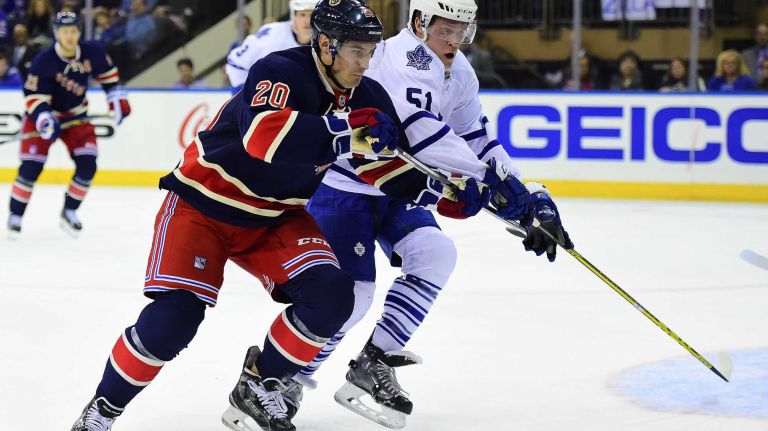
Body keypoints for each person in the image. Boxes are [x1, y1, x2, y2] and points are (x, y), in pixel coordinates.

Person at [69, 2, 490, 431]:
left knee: (333, 296)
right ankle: (101, 411)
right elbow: (264, 138)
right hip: (204, 204)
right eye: (357, 52)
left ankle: (258, 382)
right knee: (174, 320)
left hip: (276, 216)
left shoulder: (368, 95)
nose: (366, 64)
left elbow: (378, 166)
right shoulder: (281, 69)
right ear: (326, 45)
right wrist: (350, 134)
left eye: (370, 52)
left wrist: (438, 193)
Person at [284, 0, 573, 427]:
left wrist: (532, 196)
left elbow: (480, 141)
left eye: (463, 31)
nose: (455, 41)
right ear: (420, 22)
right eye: (446, 29)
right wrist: (493, 183)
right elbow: (421, 133)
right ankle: (287, 377)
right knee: (352, 297)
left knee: (435, 254)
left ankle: (375, 360)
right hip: (345, 185)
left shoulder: (461, 74)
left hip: (399, 188)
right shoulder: (402, 56)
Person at [6, 12, 131, 238]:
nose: (69, 36)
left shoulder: (93, 52)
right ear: (56, 34)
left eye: (73, 31)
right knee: (30, 169)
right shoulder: (43, 61)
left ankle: (69, 211)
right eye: (65, 31)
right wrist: (45, 119)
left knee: (88, 165)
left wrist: (117, 99)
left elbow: (110, 79)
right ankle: (16, 216)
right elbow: (34, 98)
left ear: (79, 32)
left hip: (76, 117)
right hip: (44, 118)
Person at [225, 0, 316, 94]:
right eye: (302, 14)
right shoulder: (271, 38)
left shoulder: (326, 40)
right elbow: (235, 62)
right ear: (293, 17)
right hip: (266, 99)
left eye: (312, 15)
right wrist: (243, 94)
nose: (307, 21)